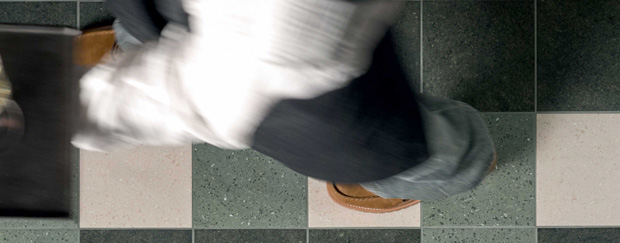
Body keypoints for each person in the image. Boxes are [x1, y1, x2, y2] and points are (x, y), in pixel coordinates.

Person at [73, 0, 495, 213]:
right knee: (149, 22)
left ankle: (457, 163)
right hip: (242, 45)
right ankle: (144, 37)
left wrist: (107, 104)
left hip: (295, 59)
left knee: (393, 149)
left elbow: (250, 67)